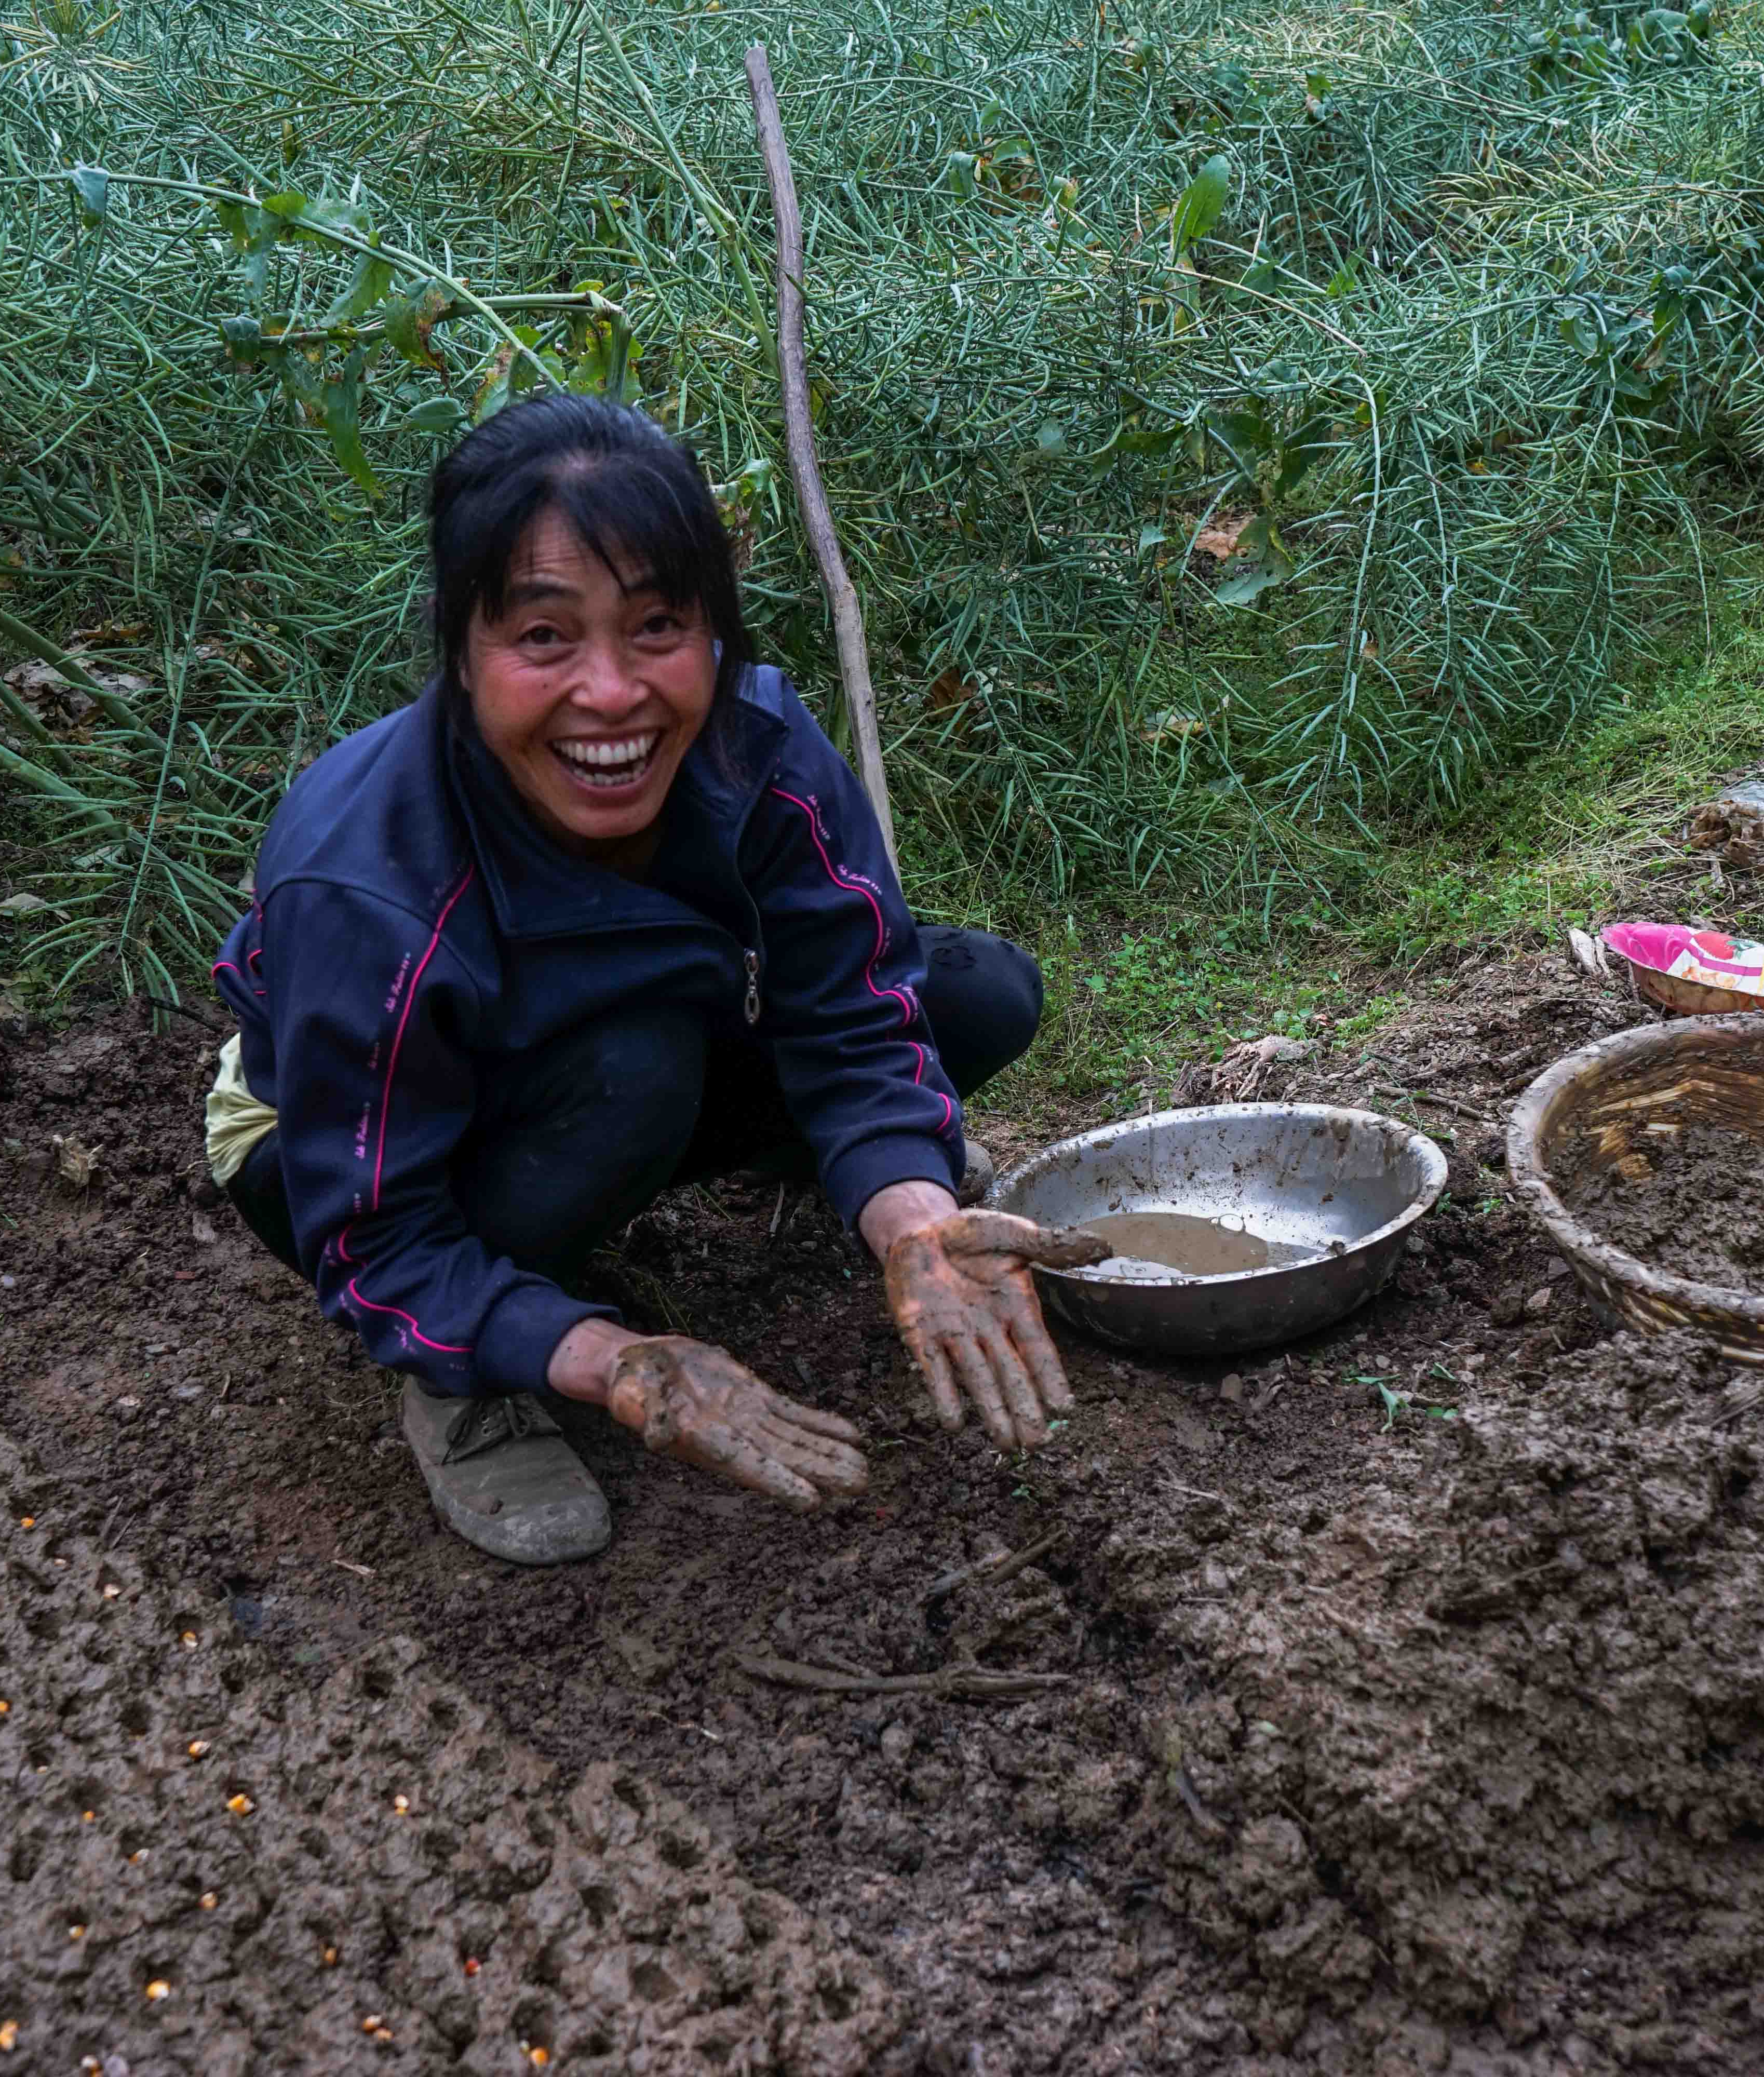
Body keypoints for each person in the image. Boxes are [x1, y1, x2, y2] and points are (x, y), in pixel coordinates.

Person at [203, 393, 1105, 1565]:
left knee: (974, 994)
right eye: (543, 637)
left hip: (632, 1040)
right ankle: (463, 1378)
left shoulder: (756, 748)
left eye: (658, 626)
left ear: (714, 632)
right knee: (636, 1074)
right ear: (463, 653)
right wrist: (611, 1358)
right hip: (347, 1143)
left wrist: (910, 1214)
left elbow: (853, 1013)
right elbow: (373, 1231)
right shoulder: (364, 880)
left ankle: (842, 1182)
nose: (614, 694)